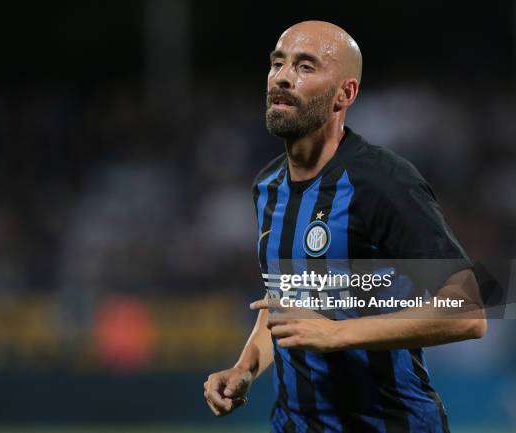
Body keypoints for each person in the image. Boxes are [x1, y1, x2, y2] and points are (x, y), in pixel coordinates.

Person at [203, 20, 487, 433]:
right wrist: (246, 367)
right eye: (277, 63)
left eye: (305, 67)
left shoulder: (382, 180)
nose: (283, 77)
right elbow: (285, 296)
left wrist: (337, 334)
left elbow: (471, 310)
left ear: (345, 94)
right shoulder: (267, 185)